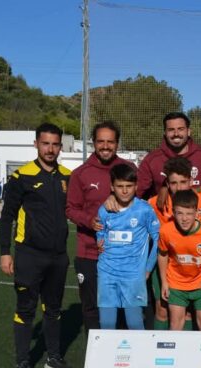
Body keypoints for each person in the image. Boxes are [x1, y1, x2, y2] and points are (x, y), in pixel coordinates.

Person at [0, 123, 73, 368]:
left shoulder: (68, 176)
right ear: (36, 144)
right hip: (29, 255)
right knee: (25, 309)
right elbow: (7, 217)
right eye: (45, 143)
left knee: (53, 309)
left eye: (55, 144)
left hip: (58, 256)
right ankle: (23, 363)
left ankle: (53, 357)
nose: (50, 149)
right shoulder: (22, 176)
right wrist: (5, 252)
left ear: (60, 147)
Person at [66, 121, 136, 334]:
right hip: (90, 253)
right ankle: (95, 352)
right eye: (101, 141)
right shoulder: (80, 173)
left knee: (123, 308)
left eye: (110, 142)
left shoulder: (130, 169)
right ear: (93, 142)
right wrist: (90, 221)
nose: (105, 146)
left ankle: (121, 352)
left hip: (123, 253)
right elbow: (70, 209)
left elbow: (140, 203)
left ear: (117, 143)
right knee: (92, 308)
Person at [148, 157, 201, 330]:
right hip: (166, 262)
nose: (179, 187)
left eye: (183, 182)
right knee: (162, 309)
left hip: (193, 265)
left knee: (188, 312)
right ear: (167, 183)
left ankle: (186, 346)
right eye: (174, 183)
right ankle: (161, 345)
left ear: (191, 181)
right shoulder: (155, 202)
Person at [96, 164, 160, 330]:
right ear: (112, 187)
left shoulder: (144, 210)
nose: (124, 191)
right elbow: (100, 234)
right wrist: (99, 242)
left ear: (136, 186)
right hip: (107, 272)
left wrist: (148, 268)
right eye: (120, 186)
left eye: (129, 186)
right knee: (107, 323)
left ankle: (139, 349)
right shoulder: (105, 210)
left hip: (133, 275)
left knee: (134, 323)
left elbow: (158, 240)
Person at [157, 189, 201, 331]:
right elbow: (163, 255)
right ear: (173, 212)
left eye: (189, 213)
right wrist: (164, 281)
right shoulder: (166, 231)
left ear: (196, 212)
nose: (184, 218)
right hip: (176, 282)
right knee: (176, 324)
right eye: (180, 213)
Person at [137, 112, 201, 201]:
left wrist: (196, 191)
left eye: (181, 129)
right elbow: (136, 192)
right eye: (171, 130)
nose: (176, 134)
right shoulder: (152, 159)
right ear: (165, 133)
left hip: (200, 209)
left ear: (188, 131)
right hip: (163, 210)